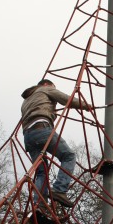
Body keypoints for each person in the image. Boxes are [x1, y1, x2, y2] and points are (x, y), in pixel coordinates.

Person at [21, 79, 91, 208]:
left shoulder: (27, 100)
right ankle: (59, 189)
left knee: (42, 172)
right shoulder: (45, 89)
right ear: (47, 85)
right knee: (68, 156)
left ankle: (39, 205)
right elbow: (66, 99)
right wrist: (86, 106)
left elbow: (37, 110)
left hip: (28, 136)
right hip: (42, 129)